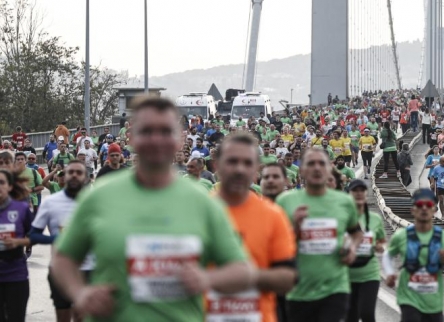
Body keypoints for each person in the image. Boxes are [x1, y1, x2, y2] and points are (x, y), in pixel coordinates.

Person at [52, 96, 254, 321]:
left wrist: (208, 279)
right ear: (132, 138)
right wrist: (80, 293)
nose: (156, 139)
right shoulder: (99, 196)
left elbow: (242, 271)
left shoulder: (202, 201)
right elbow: (62, 258)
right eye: (147, 131)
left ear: (179, 139)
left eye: (165, 131)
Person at [210, 132, 297, 322]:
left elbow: (287, 279)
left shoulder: (273, 215)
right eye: (232, 161)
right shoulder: (199, 212)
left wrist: (247, 276)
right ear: (216, 164)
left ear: (256, 168)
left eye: (247, 163)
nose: (239, 169)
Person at [276, 148, 364, 322]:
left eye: (321, 163)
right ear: (301, 170)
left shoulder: (344, 202)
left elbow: (356, 233)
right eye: (311, 164)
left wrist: (352, 248)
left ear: (329, 168)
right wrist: (294, 227)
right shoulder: (286, 201)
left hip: (335, 288)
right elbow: (275, 246)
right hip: (298, 290)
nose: (316, 168)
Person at [382, 189, 444, 322]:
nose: (424, 209)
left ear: (434, 211)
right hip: (408, 299)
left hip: (434, 302)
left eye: (428, 205)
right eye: (419, 205)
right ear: (413, 210)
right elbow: (387, 255)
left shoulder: (443, 237)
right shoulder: (402, 235)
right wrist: (389, 273)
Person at [28, 161, 90, 322]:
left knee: (82, 315)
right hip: (60, 268)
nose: (75, 175)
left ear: (85, 178)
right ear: (64, 176)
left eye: (79, 172)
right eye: (71, 172)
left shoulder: (94, 201)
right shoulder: (51, 202)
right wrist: (55, 239)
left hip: (88, 268)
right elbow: (33, 235)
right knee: (63, 316)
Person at [346, 180, 386, 322]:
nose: (359, 193)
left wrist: (379, 247)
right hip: (346, 275)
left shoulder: (375, 219)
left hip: (369, 273)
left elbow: (381, 241)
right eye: (355, 191)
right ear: (348, 194)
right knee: (350, 317)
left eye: (362, 190)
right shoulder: (341, 217)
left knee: (367, 314)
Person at [0, 168, 34, 322]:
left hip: (16, 276)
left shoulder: (21, 208)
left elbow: (35, 236)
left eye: (1, 183)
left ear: (10, 186)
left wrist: (20, 242)